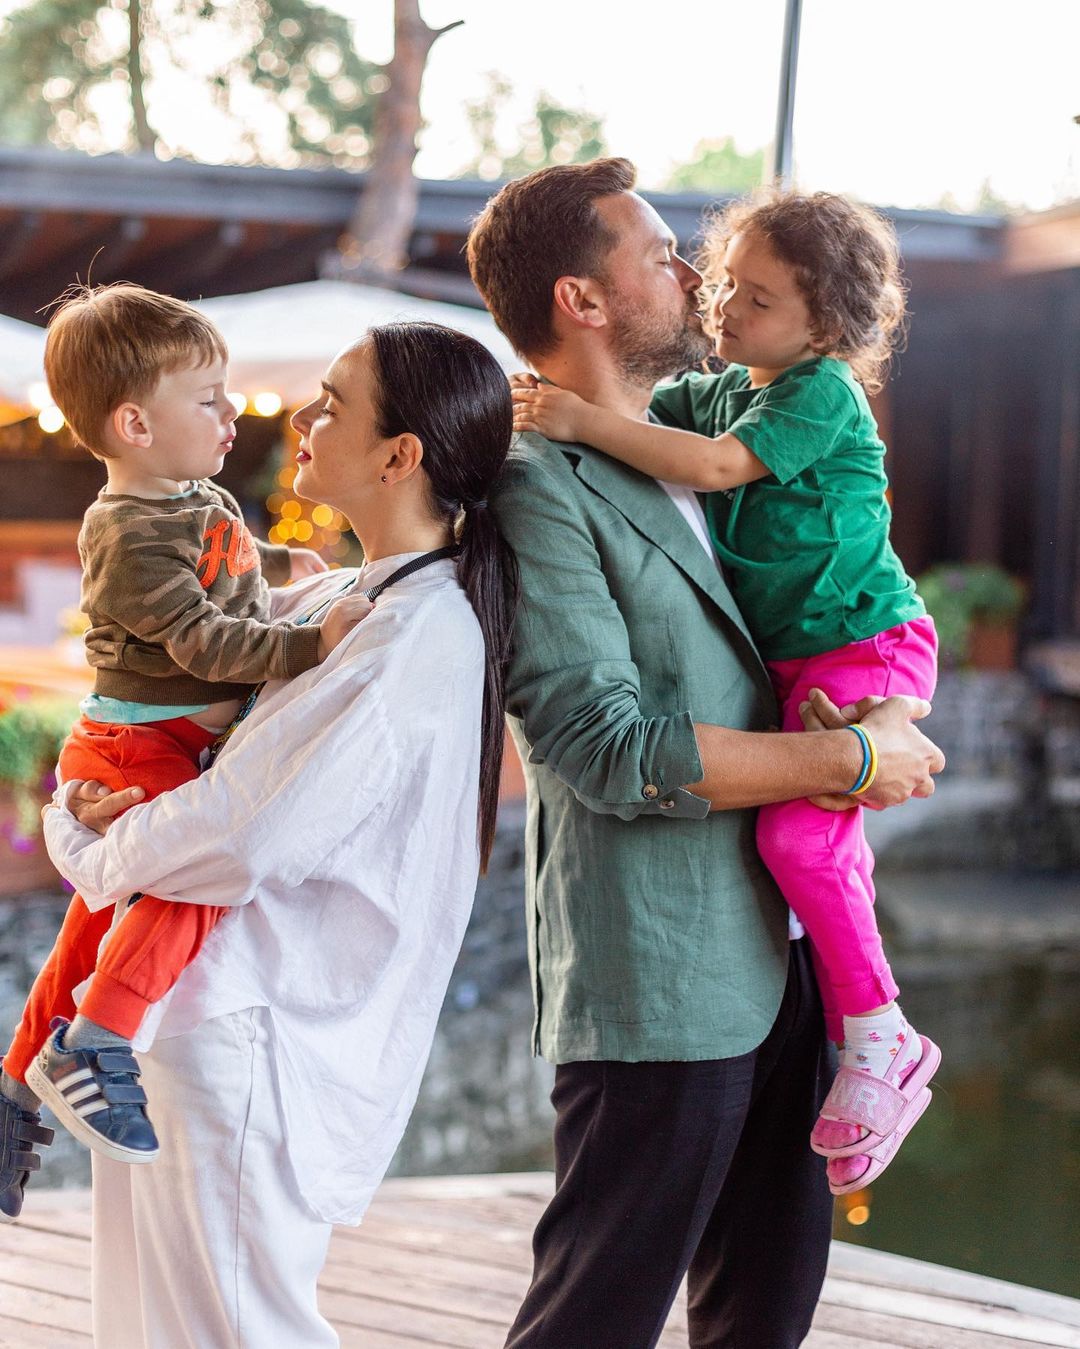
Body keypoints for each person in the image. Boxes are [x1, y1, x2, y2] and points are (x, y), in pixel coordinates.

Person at [467, 158, 944, 1348]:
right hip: (662, 975)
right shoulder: (537, 481)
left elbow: (828, 570)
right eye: (662, 256)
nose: (693, 278)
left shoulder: (708, 423)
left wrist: (877, 700)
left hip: (783, 958)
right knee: (595, 1315)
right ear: (584, 299)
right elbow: (607, 745)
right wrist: (851, 762)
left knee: (763, 1312)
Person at [35, 320, 517, 1348]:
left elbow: (244, 835)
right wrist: (82, 798)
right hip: (192, 1022)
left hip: (245, 1035)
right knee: (155, 1328)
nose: (301, 416)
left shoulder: (418, 629)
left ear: (399, 456)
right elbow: (152, 694)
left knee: (234, 1330)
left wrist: (78, 842)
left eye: (332, 403)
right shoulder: (347, 595)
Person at [0, 283, 369, 1210]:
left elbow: (225, 558)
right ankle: (98, 1042)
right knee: (197, 878)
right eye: (207, 399)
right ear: (134, 424)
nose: (230, 415)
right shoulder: (125, 531)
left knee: (95, 925)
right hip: (137, 744)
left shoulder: (192, 495)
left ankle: (11, 1088)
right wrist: (309, 643)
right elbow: (204, 640)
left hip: (158, 739)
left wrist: (281, 564)